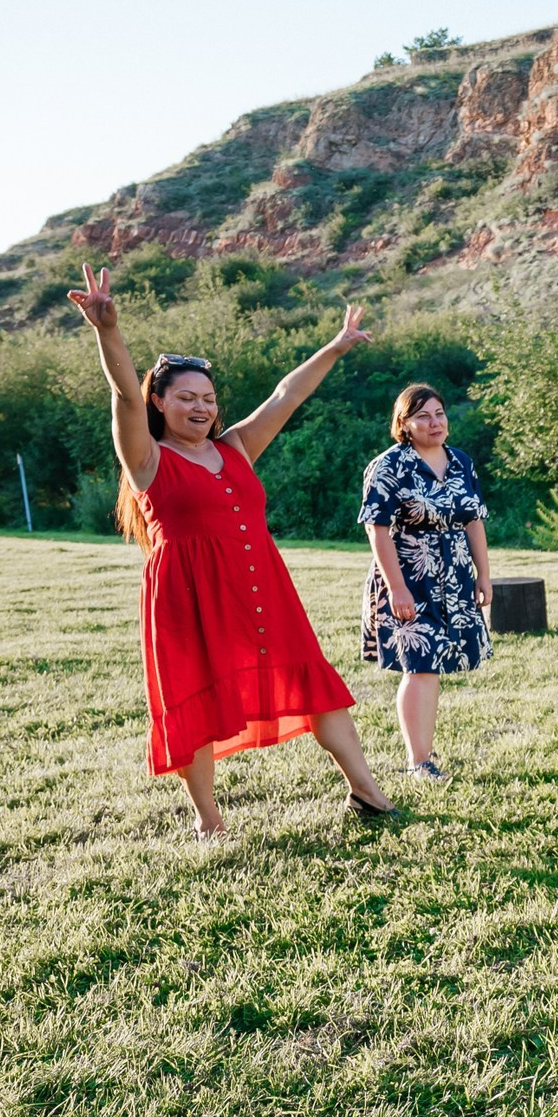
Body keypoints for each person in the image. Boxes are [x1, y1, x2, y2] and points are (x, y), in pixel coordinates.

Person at [70, 265, 397, 834]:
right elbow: (124, 389)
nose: (201, 407)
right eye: (187, 398)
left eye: (209, 398)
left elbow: (285, 394)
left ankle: (366, 792)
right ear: (161, 404)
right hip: (187, 593)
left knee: (313, 680)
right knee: (193, 696)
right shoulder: (146, 458)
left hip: (262, 582)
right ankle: (208, 818)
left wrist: (336, 347)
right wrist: (108, 332)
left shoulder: (237, 447)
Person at [361, 384, 492, 780]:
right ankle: (419, 762)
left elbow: (473, 520)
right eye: (423, 416)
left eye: (439, 413)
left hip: (455, 574)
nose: (434, 422)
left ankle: (425, 757)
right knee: (420, 665)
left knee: (434, 665)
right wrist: (396, 587)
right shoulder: (389, 466)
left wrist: (483, 574)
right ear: (404, 424)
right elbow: (377, 529)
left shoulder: (461, 461)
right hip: (409, 575)